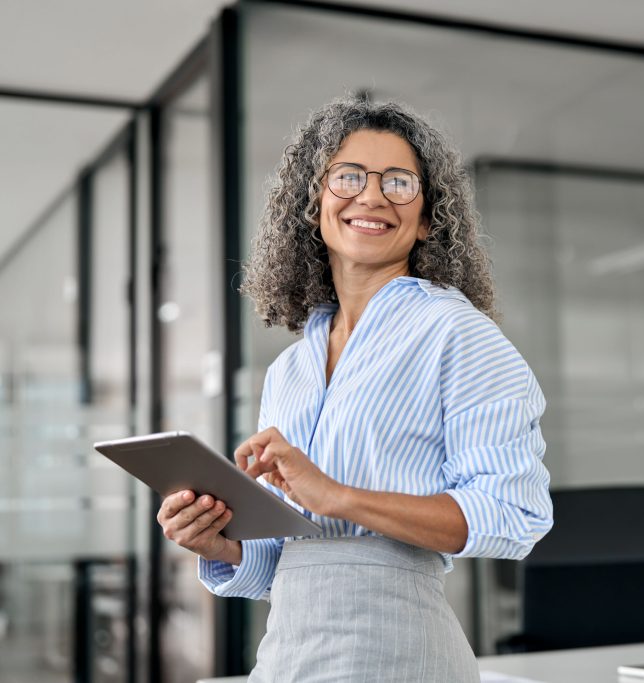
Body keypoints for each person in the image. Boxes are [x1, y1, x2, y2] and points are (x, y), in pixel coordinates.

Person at [155, 96, 553, 682]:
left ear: (427, 218)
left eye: (399, 182)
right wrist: (220, 544)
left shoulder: (456, 332)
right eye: (348, 177)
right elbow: (288, 561)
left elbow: (514, 513)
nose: (372, 196)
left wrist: (339, 496)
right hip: (289, 658)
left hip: (400, 654)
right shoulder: (290, 368)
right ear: (313, 203)